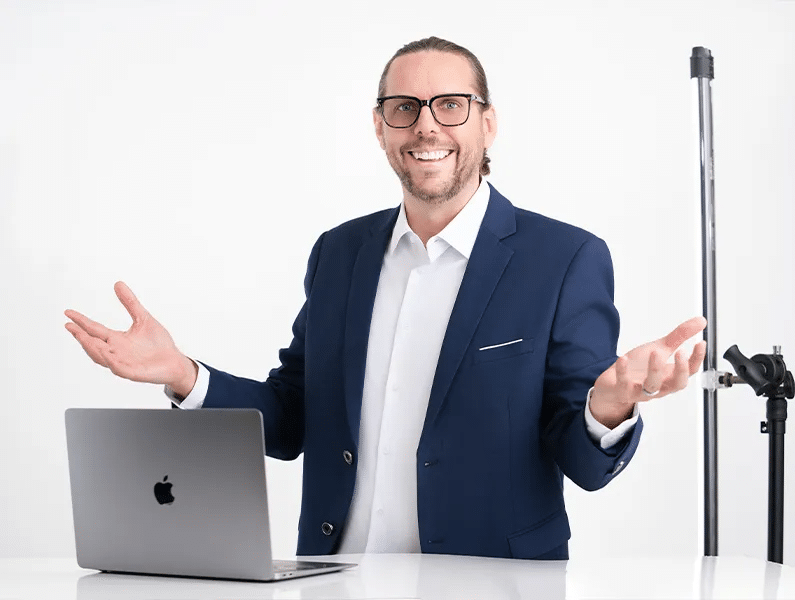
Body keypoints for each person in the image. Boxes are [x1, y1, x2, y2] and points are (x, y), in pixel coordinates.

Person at [65, 37, 707, 560]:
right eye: (404, 107)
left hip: (491, 584)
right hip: (333, 575)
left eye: (451, 104)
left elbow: (585, 465)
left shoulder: (565, 258)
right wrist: (182, 374)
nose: (426, 125)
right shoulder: (338, 253)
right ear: (379, 127)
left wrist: (610, 404)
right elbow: (292, 421)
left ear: (488, 123)